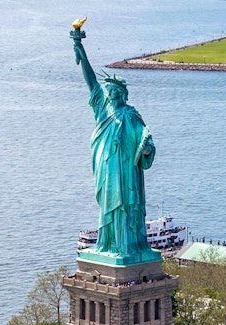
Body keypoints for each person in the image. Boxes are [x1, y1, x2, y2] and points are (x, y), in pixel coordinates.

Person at [71, 19, 156, 260]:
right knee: (108, 205)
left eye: (117, 92)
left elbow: (144, 140)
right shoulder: (102, 108)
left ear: (124, 94)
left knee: (126, 206)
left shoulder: (131, 115)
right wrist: (79, 46)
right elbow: (90, 80)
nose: (113, 94)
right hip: (107, 168)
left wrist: (147, 148)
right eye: (111, 92)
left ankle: (126, 246)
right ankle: (107, 244)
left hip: (126, 171)